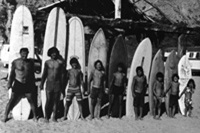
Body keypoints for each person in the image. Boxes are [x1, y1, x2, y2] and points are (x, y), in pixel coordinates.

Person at [3, 48, 37, 122]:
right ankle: (5, 115)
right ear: (20, 53)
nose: (24, 55)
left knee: (31, 99)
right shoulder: (15, 62)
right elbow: (12, 74)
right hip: (18, 82)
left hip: (28, 83)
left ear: (28, 53)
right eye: (23, 53)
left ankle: (35, 116)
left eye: (26, 53)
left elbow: (32, 74)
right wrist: (9, 83)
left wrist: (33, 83)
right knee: (12, 99)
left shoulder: (30, 62)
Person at [40, 47, 65, 122]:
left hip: (57, 83)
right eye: (52, 53)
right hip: (49, 83)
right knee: (48, 100)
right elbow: (44, 74)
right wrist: (42, 83)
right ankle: (46, 117)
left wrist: (62, 86)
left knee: (55, 101)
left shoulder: (60, 63)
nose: (54, 54)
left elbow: (62, 75)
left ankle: (54, 117)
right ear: (50, 54)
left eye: (55, 53)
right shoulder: (47, 62)